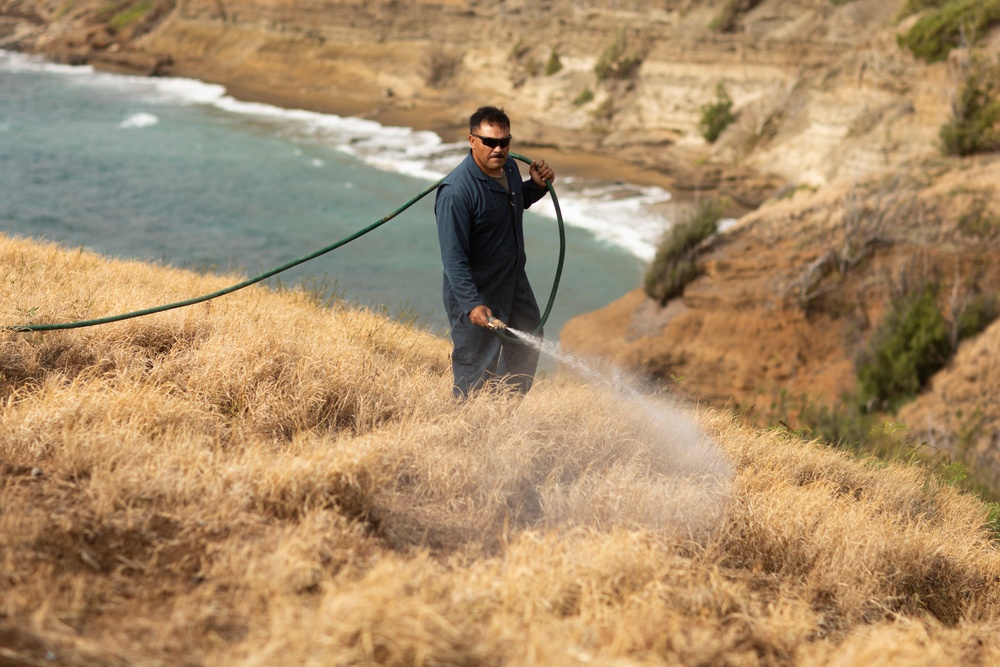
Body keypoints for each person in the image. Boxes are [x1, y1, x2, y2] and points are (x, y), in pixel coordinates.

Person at [435, 106, 556, 398]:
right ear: (472, 140)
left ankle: (503, 415)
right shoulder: (456, 192)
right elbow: (453, 259)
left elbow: (512, 203)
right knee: (477, 368)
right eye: (490, 142)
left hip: (514, 285)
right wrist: (472, 304)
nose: (498, 149)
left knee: (528, 342)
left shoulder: (511, 168)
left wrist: (536, 187)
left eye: (504, 142)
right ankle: (466, 429)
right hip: (478, 294)